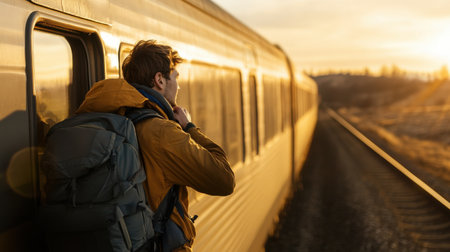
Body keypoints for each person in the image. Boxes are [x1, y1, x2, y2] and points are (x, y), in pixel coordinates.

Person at [76, 40, 235, 251]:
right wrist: (189, 127)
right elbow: (223, 179)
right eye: (176, 78)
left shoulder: (110, 116)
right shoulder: (161, 132)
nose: (179, 86)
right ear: (160, 80)